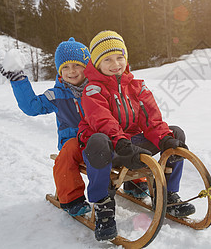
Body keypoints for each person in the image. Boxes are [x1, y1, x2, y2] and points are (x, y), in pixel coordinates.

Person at [78, 30, 195, 241]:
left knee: (175, 133)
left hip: (132, 144)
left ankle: (167, 195)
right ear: (96, 64)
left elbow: (152, 120)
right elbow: (102, 120)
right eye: (107, 59)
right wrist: (120, 141)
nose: (116, 64)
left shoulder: (137, 86)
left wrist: (164, 138)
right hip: (108, 147)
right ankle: (103, 206)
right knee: (97, 141)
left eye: (119, 57)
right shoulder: (92, 90)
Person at [0, 37, 93, 217]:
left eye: (76, 65)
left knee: (126, 142)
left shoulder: (97, 90)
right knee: (65, 157)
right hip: (74, 145)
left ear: (87, 66)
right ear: (59, 71)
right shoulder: (56, 95)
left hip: (97, 141)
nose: (71, 71)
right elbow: (32, 106)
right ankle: (73, 200)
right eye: (65, 67)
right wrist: (18, 80)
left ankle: (136, 182)